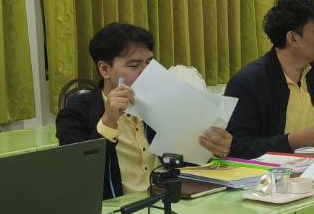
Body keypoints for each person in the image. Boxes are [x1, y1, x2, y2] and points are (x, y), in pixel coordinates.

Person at [56, 22, 231, 199]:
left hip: (170, 203)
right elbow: (78, 174)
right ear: (104, 69)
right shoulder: (76, 113)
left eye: (148, 63)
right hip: (117, 212)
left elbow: (186, 162)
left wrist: (214, 150)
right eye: (134, 65)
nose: (145, 71)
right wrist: (108, 120)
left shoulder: (166, 101)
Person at [225, 0, 314, 159]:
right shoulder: (248, 82)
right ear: (293, 39)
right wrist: (294, 141)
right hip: (273, 177)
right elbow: (238, 147)